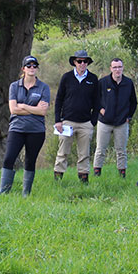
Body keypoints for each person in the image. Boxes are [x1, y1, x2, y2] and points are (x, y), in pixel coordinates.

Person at [0, 55, 50, 196]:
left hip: (36, 130)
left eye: (34, 66)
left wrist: (23, 106)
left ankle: (25, 194)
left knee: (30, 160)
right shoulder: (14, 86)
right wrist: (33, 109)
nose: (32, 68)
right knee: (9, 158)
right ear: (23, 69)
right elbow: (13, 109)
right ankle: (3, 192)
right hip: (17, 128)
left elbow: (43, 111)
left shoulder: (43, 87)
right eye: (29, 66)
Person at [53, 49, 98, 182]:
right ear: (74, 62)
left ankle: (83, 180)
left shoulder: (93, 79)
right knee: (62, 152)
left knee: (84, 154)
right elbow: (59, 99)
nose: (82, 64)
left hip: (85, 123)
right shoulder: (66, 77)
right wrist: (58, 120)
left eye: (85, 61)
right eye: (79, 61)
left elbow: (97, 102)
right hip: (67, 122)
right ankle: (58, 179)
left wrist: (93, 121)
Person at [93, 58, 137, 178]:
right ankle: (97, 174)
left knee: (121, 151)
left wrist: (129, 116)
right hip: (104, 122)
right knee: (100, 149)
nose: (117, 69)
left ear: (123, 68)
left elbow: (133, 102)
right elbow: (95, 99)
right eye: (115, 67)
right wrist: (102, 110)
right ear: (110, 68)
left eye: (119, 67)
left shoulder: (128, 83)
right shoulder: (103, 82)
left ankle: (122, 174)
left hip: (122, 122)